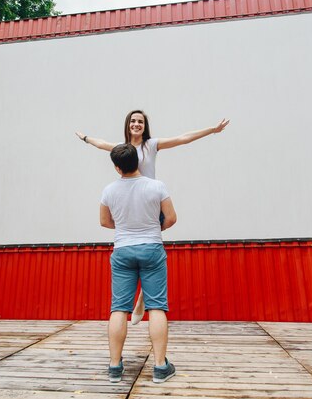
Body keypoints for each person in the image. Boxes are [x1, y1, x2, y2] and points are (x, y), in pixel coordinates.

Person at [77, 110, 229, 324]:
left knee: (150, 251)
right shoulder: (122, 148)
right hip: (130, 203)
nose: (136, 124)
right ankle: (142, 298)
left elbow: (182, 138)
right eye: (133, 121)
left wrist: (212, 130)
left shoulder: (151, 145)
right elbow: (101, 143)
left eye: (140, 121)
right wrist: (85, 138)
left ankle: (142, 299)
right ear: (127, 125)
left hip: (150, 203)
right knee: (145, 253)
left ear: (144, 125)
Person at [100, 143, 177, 383]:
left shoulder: (109, 191)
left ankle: (114, 367)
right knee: (156, 307)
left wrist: (126, 227)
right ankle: (160, 367)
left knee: (119, 309)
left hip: (123, 249)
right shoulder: (157, 186)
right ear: (139, 161)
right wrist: (155, 227)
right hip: (152, 248)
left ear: (116, 167)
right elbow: (172, 218)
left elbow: (104, 222)